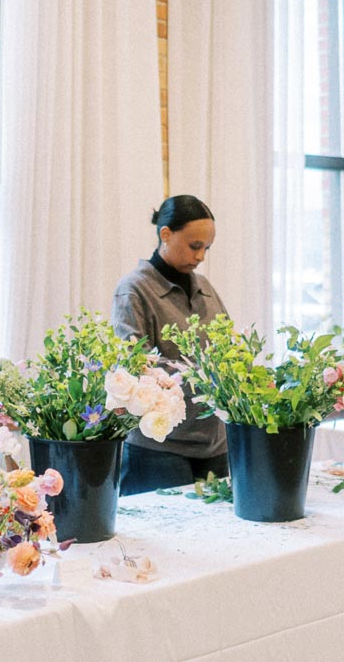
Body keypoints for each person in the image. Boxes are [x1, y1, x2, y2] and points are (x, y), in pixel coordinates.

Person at [112, 195, 229, 495]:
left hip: (214, 442)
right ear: (166, 234)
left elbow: (230, 351)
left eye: (207, 248)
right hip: (159, 448)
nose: (201, 255)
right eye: (194, 245)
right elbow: (136, 365)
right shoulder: (134, 289)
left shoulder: (206, 288)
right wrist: (199, 375)